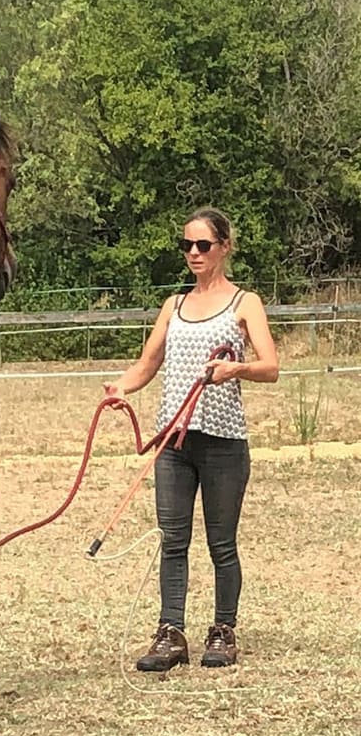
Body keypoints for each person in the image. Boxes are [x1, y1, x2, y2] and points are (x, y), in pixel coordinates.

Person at [103, 208, 279, 671]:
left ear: (224, 247)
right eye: (187, 246)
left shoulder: (246, 303)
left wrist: (234, 369)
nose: (193, 254)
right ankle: (170, 633)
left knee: (222, 543)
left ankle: (223, 630)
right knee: (172, 539)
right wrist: (122, 387)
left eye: (203, 245)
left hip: (223, 441)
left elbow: (271, 367)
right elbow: (147, 363)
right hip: (173, 444)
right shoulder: (172, 306)